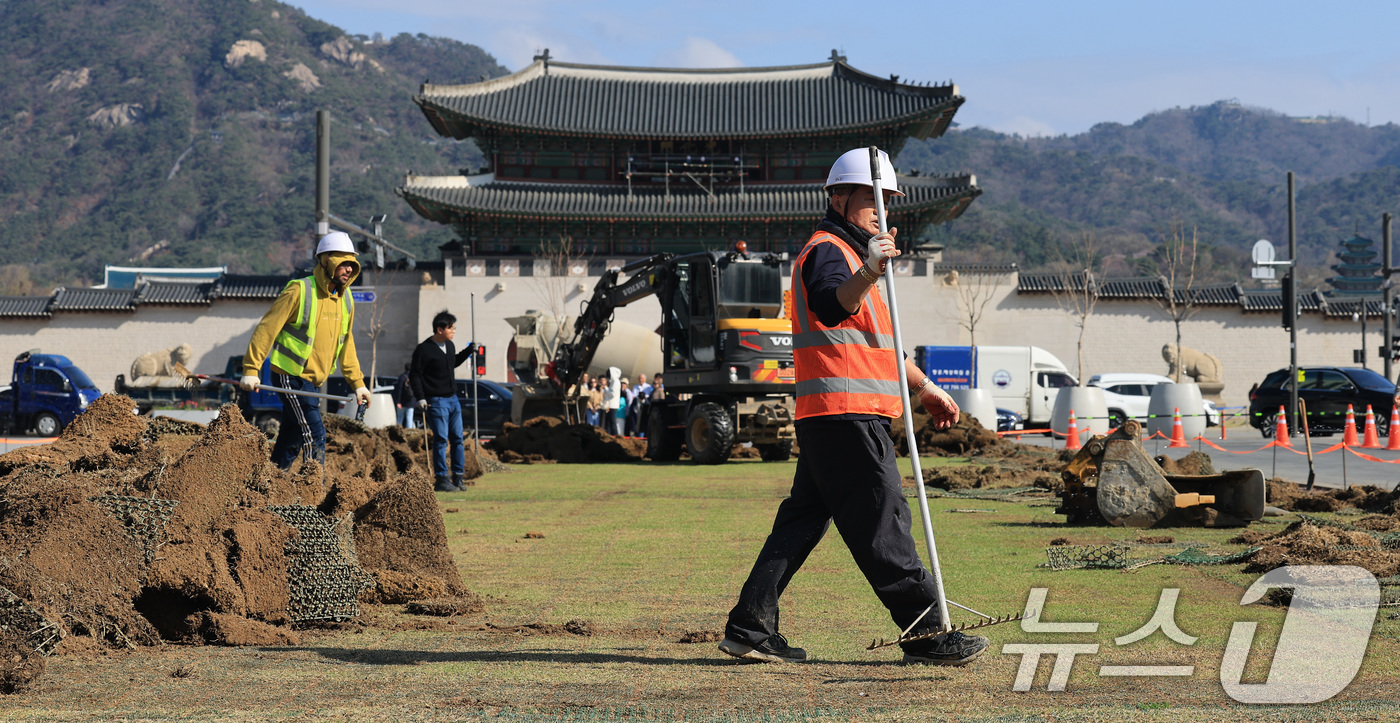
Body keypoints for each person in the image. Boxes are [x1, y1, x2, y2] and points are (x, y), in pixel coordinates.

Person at [719, 148, 988, 667]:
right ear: (839, 197)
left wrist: (926, 389)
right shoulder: (830, 251)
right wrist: (868, 269)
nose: (880, 208)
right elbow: (829, 303)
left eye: (887, 199)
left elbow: (881, 344)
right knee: (884, 522)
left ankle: (750, 625)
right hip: (847, 415)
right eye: (871, 198)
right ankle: (926, 633)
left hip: (834, 416)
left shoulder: (859, 258)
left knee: (800, 524)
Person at [240, 231, 371, 470]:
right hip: (290, 376)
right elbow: (267, 329)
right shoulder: (300, 290)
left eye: (352, 264)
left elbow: (347, 344)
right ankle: (313, 494)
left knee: (292, 439)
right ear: (326, 261)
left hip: (313, 382)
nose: (350, 269)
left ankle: (268, 486)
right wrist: (251, 368)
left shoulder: (347, 300)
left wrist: (358, 384)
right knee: (315, 434)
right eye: (344, 263)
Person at [410, 310, 476, 492]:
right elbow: (415, 374)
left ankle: (458, 476)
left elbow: (452, 362)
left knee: (457, 439)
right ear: (440, 329)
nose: (453, 331)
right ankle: (441, 479)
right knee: (441, 440)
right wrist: (421, 397)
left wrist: (468, 352)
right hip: (436, 401)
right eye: (451, 328)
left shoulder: (450, 346)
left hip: (453, 400)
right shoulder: (423, 349)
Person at [394, 362, 417, 429]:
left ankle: (398, 432)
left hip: (402, 402)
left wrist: (398, 402)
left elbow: (399, 390)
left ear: (404, 368)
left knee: (400, 418)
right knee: (409, 419)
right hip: (411, 402)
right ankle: (409, 433)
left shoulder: (402, 377)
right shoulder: (414, 377)